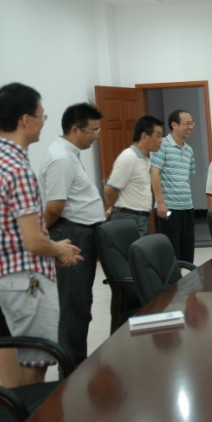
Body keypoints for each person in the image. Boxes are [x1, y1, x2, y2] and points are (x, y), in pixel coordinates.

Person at [0, 82, 82, 386]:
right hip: (28, 282)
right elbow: (33, 241)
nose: (43, 123)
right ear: (25, 120)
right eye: (42, 116)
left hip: (8, 277)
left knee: (12, 365)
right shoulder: (18, 169)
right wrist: (59, 249)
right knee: (35, 363)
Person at [39, 102, 105, 368]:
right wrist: (43, 236)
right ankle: (70, 375)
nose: (96, 136)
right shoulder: (62, 158)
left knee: (80, 304)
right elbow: (54, 207)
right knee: (73, 307)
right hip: (70, 234)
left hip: (80, 231)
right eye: (93, 130)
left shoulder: (70, 153)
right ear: (76, 129)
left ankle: (77, 368)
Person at [104, 115, 164, 236]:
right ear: (144, 136)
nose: (161, 140)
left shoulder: (145, 160)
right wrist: (115, 207)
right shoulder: (128, 157)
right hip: (128, 218)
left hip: (140, 218)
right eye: (158, 135)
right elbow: (110, 190)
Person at [150, 109, 196, 263]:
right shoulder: (162, 145)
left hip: (187, 207)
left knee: (187, 253)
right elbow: (154, 173)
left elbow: (187, 177)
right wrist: (160, 202)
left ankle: (187, 279)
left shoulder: (189, 149)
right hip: (168, 208)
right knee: (170, 254)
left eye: (192, 123)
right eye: (187, 123)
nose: (190, 126)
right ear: (174, 125)